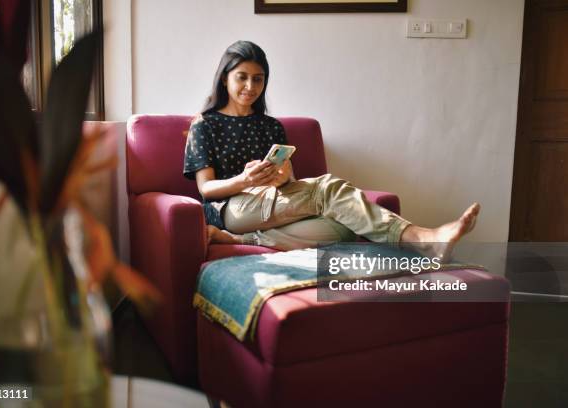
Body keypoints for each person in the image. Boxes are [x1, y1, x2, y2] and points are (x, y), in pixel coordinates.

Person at [183, 40, 479, 260]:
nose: (250, 86)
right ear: (225, 78)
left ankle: (240, 240)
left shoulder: (271, 126)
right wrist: (245, 181)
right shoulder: (204, 125)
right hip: (231, 207)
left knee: (350, 224)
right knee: (329, 189)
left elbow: (291, 182)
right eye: (242, 77)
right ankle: (424, 239)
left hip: (271, 203)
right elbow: (206, 189)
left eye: (258, 79)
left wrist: (281, 177)